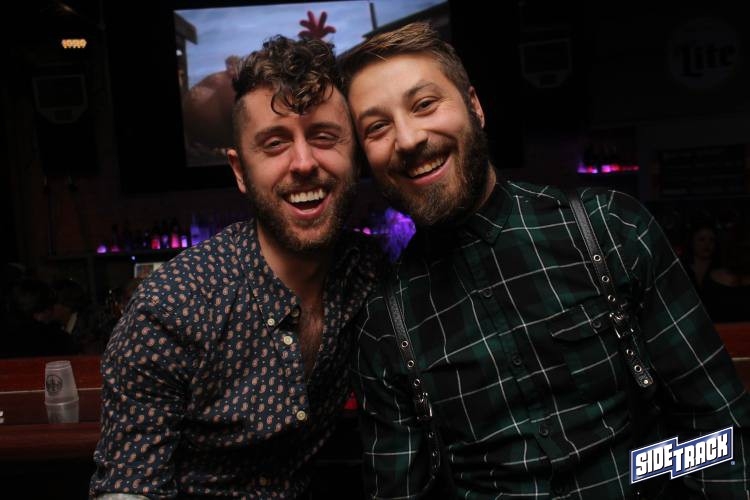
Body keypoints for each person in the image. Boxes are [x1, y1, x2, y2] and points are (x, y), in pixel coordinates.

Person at [339, 22, 750, 498]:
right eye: (377, 127)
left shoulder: (610, 231)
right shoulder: (383, 324)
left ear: (474, 106)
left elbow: (717, 429)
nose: (408, 138)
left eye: (425, 104)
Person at [90, 35, 379, 498]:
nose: (304, 162)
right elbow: (130, 486)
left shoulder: (369, 273)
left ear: (355, 156)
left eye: (324, 137)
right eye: (274, 143)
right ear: (240, 170)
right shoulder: (173, 306)